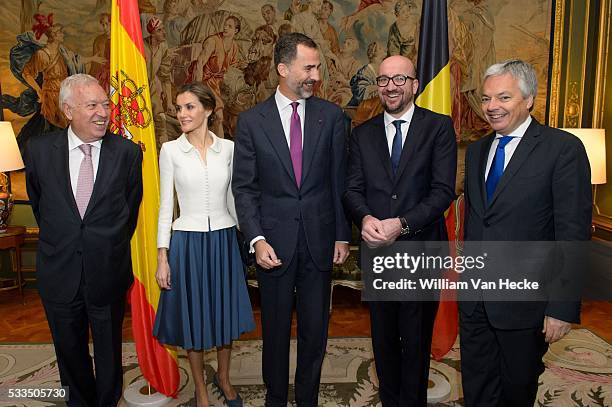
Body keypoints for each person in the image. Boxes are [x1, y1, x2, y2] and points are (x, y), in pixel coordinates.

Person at [459, 59, 592, 406]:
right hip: (475, 301)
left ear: (529, 99)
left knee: (516, 390)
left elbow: (572, 233)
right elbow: (478, 223)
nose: (492, 107)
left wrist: (562, 306)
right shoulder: (477, 151)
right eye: (486, 99)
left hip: (524, 303)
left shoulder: (562, 149)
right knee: (476, 389)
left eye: (503, 97)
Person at [232, 33, 351, 407]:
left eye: (317, 67)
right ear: (283, 69)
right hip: (274, 246)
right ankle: (276, 398)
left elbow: (338, 181)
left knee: (316, 332)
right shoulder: (252, 122)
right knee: (276, 332)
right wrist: (256, 239)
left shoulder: (331, 117)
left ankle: (309, 400)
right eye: (309, 67)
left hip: (319, 243)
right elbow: (245, 189)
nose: (315, 75)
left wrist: (341, 235)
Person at [343, 55, 457, 406]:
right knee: (384, 340)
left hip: (421, 250)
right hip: (378, 253)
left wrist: (402, 224)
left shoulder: (438, 127)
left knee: (417, 339)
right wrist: (364, 218)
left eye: (398, 79)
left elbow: (442, 191)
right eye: (383, 80)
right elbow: (352, 189)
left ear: (414, 84)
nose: (390, 86)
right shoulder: (362, 133)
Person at [24, 73, 143, 406]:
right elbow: (40, 204)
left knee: (109, 355)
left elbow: (129, 213)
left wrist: (105, 244)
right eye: (92, 105)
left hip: (107, 271)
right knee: (69, 352)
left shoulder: (128, 153)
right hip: (59, 271)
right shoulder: (38, 151)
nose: (103, 112)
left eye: (105, 104)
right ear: (67, 110)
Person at [153, 82, 255, 407]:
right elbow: (166, 207)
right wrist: (162, 256)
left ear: (208, 109)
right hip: (187, 244)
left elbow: (234, 199)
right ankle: (200, 388)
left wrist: (252, 238)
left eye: (189, 107)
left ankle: (223, 379)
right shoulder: (170, 151)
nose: (181, 114)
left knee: (224, 318)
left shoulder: (229, 149)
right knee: (194, 320)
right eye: (179, 108)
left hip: (224, 242)